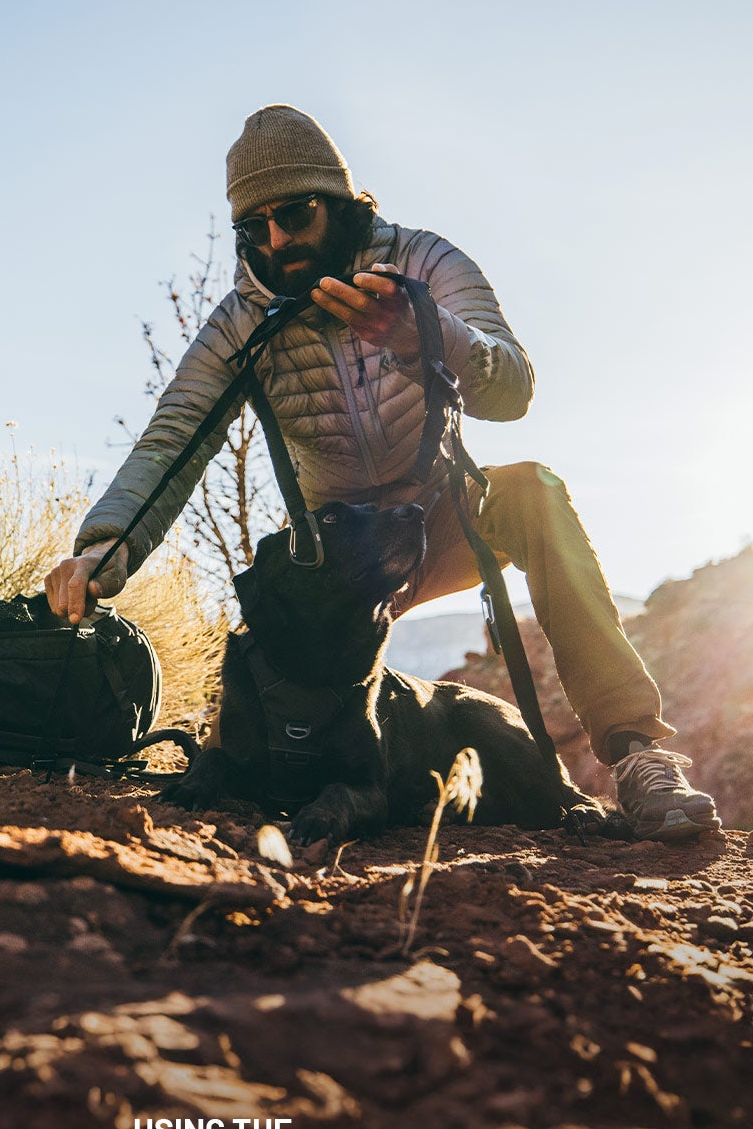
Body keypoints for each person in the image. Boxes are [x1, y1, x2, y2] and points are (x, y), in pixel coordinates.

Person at [45, 104, 721, 842]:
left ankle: (640, 757)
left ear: (339, 202)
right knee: (261, 659)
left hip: (440, 519)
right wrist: (105, 548)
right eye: (253, 227)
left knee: (534, 491)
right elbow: (174, 438)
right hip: (333, 554)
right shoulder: (241, 321)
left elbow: (514, 390)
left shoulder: (427, 264)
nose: (276, 240)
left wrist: (425, 335)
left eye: (295, 214)